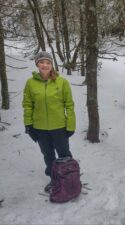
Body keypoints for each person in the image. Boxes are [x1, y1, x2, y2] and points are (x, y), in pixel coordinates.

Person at [22, 51, 76, 193]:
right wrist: (28, 125)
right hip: (40, 128)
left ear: (52, 65)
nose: (45, 65)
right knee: (48, 156)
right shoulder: (30, 83)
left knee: (64, 154)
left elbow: (69, 105)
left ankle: (71, 179)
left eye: (48, 62)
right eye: (41, 62)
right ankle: (55, 179)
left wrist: (70, 125)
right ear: (37, 65)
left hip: (59, 127)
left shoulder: (61, 82)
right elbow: (28, 105)